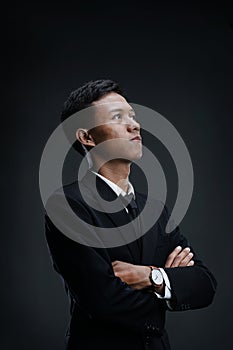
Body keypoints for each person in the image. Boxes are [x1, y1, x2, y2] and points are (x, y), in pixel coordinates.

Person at [45, 79, 217, 350]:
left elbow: (205, 285)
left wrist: (151, 277)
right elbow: (103, 301)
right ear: (87, 137)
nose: (135, 125)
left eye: (133, 116)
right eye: (117, 117)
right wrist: (170, 283)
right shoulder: (67, 204)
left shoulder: (156, 208)